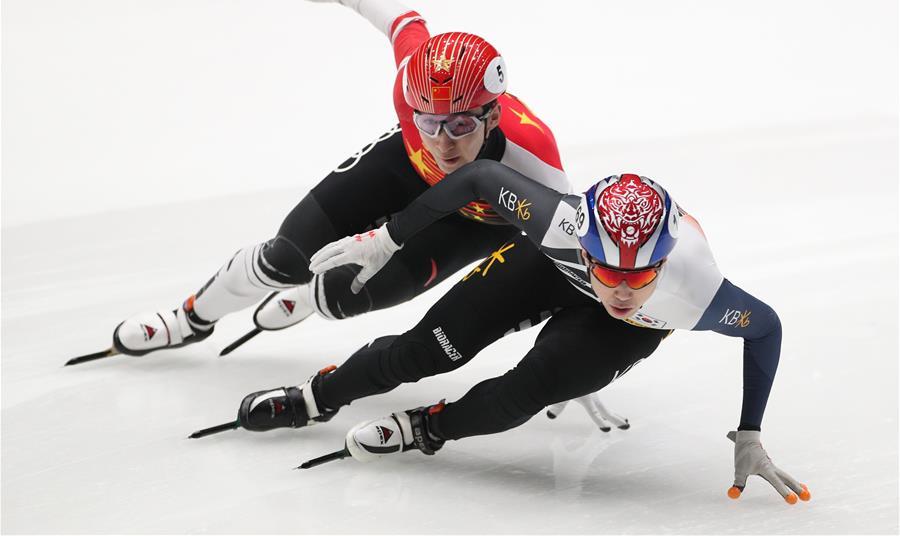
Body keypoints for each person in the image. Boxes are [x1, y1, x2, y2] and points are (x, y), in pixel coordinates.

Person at [229, 160, 810, 505]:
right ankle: (317, 397)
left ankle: (425, 429)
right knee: (426, 350)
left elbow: (767, 329)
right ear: (583, 242)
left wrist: (749, 432)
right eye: (607, 270)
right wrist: (389, 237)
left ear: (664, 262)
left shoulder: (698, 291)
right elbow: (480, 177)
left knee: (525, 392)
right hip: (550, 268)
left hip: (627, 330)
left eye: (640, 275)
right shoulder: (557, 222)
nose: (621, 290)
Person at [109, 0, 570, 356]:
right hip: (405, 170)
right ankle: (189, 319)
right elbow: (403, 22)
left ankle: (310, 298)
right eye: (429, 123)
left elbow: (574, 252)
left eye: (461, 126)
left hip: (476, 222)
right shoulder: (412, 83)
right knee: (284, 258)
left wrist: (563, 345)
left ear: (493, 116)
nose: (443, 143)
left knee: (344, 295)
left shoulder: (534, 160)